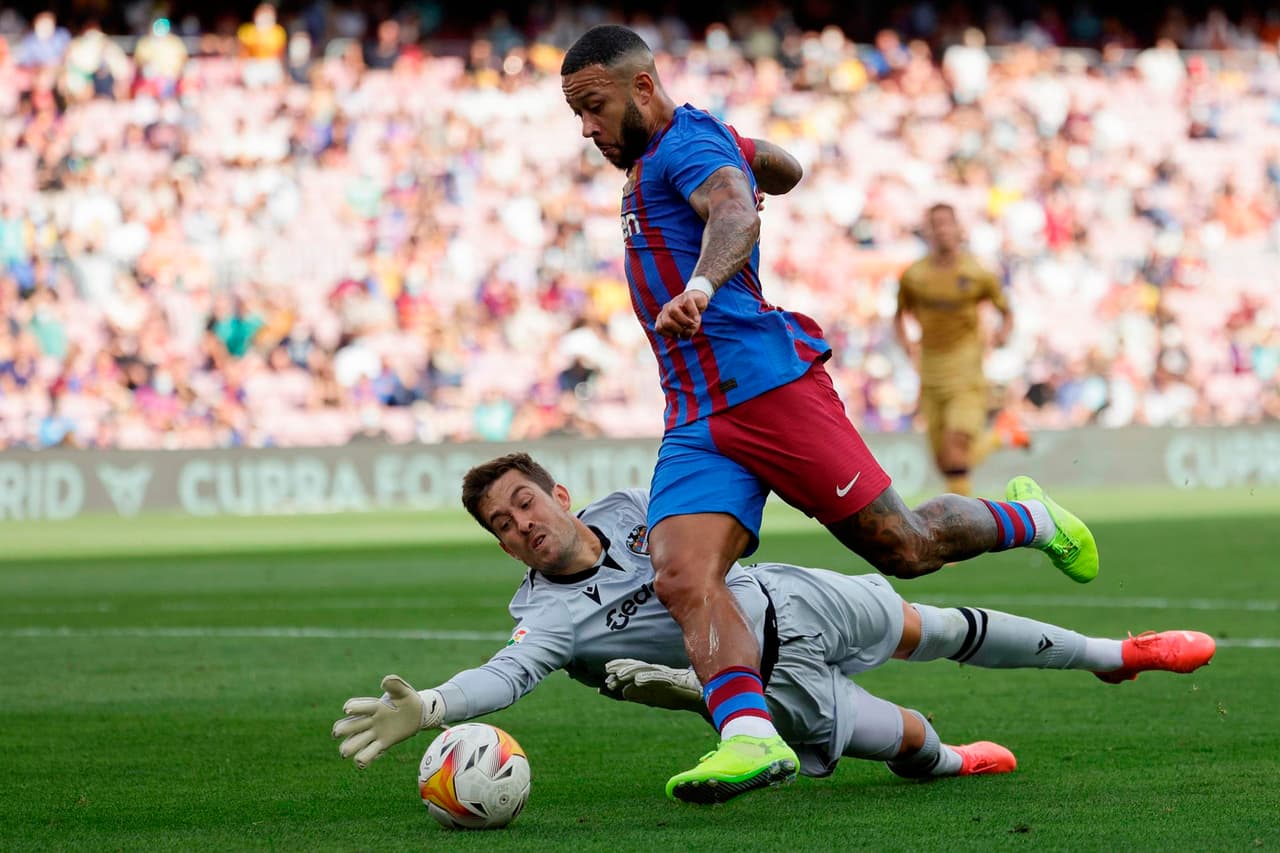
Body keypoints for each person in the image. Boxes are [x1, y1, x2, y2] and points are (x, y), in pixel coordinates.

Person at [557, 24, 1099, 801]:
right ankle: (748, 736)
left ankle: (1032, 519)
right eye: (577, 112)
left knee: (908, 550)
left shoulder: (682, 147)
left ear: (643, 88)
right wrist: (745, 148)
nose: (585, 128)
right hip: (698, 414)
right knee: (681, 572)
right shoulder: (684, 145)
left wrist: (703, 286)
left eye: (594, 106)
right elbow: (787, 168)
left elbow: (738, 212)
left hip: (768, 390)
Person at [331, 453, 1215, 803]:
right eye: (502, 523)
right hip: (770, 687)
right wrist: (439, 702)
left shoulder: (634, 502)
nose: (520, 523)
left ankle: (1116, 656)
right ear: (501, 544)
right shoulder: (549, 621)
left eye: (524, 501)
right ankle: (952, 758)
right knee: (907, 741)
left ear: (558, 496)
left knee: (937, 624)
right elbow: (507, 677)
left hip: (795, 598)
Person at [895, 203, 1029, 497]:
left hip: (966, 369)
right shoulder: (914, 276)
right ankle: (1001, 435)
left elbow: (1006, 310)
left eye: (947, 223)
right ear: (927, 232)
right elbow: (899, 314)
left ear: (959, 229)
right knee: (945, 463)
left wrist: (1001, 334)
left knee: (956, 451)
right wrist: (906, 343)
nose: (942, 230)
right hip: (930, 371)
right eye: (935, 224)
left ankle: (963, 525)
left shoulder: (978, 273)